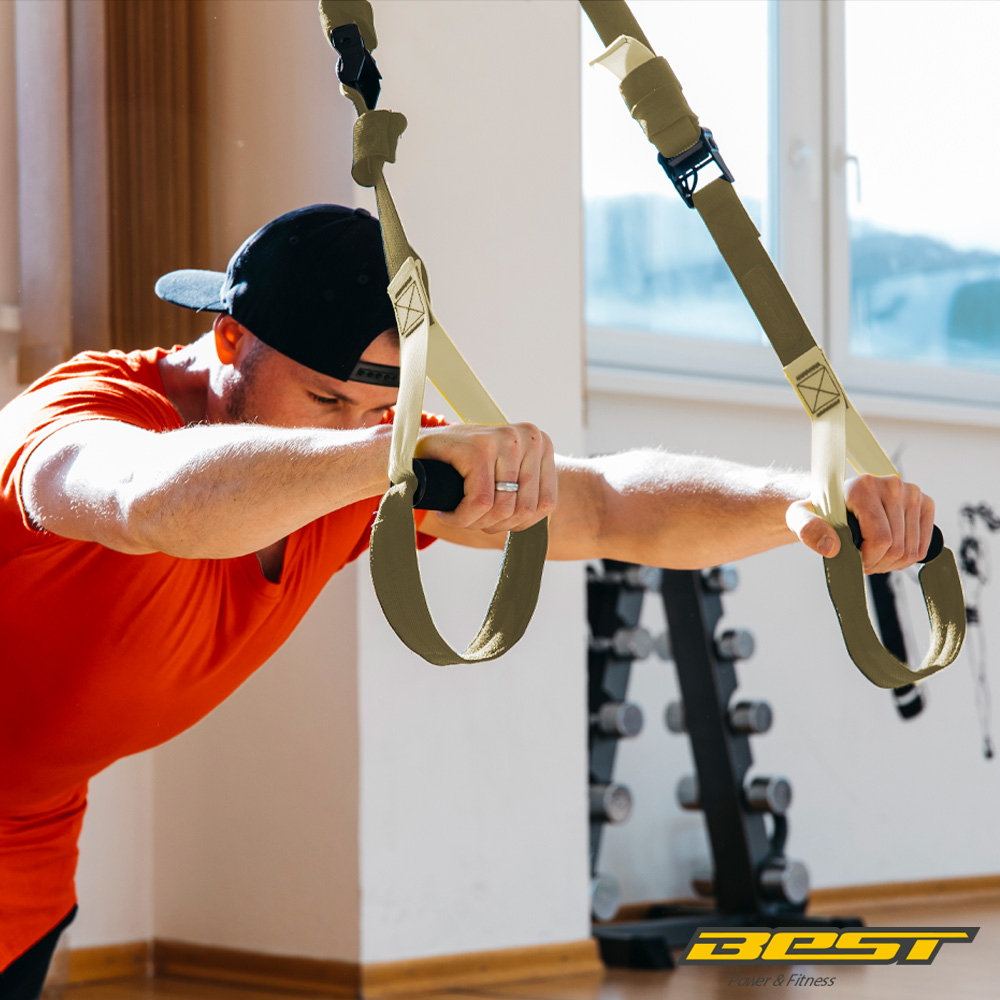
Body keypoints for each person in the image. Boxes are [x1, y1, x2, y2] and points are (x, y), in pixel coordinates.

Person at [0, 204, 935, 996]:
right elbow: (146, 499)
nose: (358, 431)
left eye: (382, 412)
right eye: (328, 402)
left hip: (30, 861)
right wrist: (382, 455)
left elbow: (607, 506)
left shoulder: (369, 451)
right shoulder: (82, 416)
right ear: (231, 339)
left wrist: (803, 503)